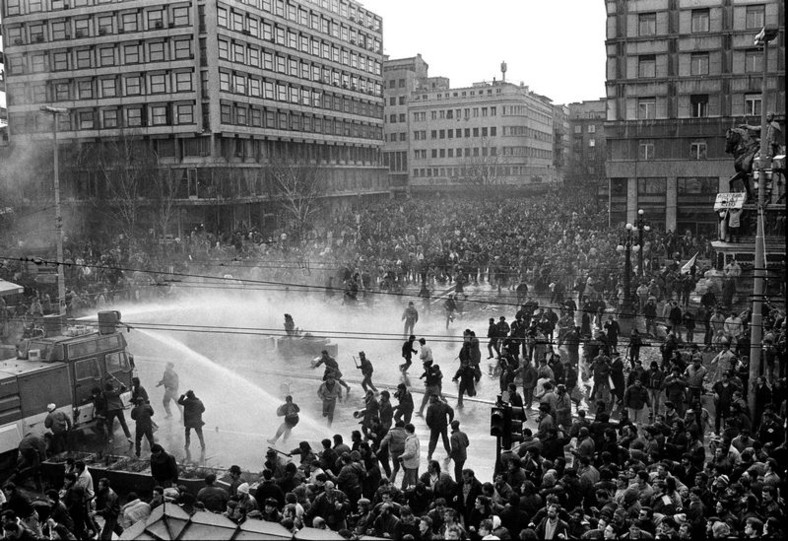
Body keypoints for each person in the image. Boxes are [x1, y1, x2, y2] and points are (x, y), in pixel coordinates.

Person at [177, 390, 206, 462]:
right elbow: (203, 409)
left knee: (187, 432)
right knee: (200, 433)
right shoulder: (198, 401)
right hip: (197, 420)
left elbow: (179, 401)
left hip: (189, 420)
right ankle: (203, 445)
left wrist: (183, 395)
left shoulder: (187, 401)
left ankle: (187, 445)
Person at [425, 395, 454, 462]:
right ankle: (449, 453)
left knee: (433, 441)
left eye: (430, 398)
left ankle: (430, 455)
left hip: (434, 426)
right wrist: (450, 421)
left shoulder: (431, 407)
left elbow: (428, 418)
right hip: (443, 425)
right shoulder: (444, 405)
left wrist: (430, 425)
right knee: (445, 439)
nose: (429, 399)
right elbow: (451, 411)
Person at [399, 423, 420, 490]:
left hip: (411, 463)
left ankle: (408, 490)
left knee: (411, 479)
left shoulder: (411, 441)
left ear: (407, 430)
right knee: (411, 477)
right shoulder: (415, 438)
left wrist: (402, 456)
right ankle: (404, 488)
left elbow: (411, 453)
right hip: (414, 462)